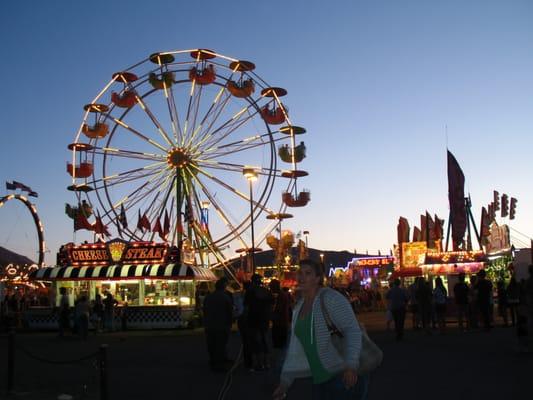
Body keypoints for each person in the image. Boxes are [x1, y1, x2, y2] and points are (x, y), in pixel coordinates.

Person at [273, 259, 369, 400]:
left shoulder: (331, 298)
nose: (301, 277)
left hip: (342, 375)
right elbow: (296, 348)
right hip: (318, 379)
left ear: (318, 278)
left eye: (308, 273)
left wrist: (351, 365)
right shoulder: (299, 307)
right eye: (300, 273)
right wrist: (285, 383)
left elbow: (352, 331)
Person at [203, 278, 233, 372]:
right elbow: (229, 311)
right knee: (220, 344)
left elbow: (205, 310)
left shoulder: (208, 297)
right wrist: (230, 322)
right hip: (222, 324)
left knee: (212, 344)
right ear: (224, 287)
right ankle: (219, 364)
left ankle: (213, 361)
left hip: (210, 324)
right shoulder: (225, 297)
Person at [244, 273, 273, 371]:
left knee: (255, 342)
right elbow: (271, 305)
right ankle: (267, 363)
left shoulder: (249, 292)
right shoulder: (266, 291)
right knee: (265, 340)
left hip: (253, 319)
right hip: (264, 319)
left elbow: (246, 307)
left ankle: (258, 363)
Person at [269, 279, 291, 349]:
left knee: (279, 345)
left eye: (271, 287)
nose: (270, 289)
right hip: (281, 322)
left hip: (280, 323)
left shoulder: (281, 296)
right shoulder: (281, 295)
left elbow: (279, 310)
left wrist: (271, 315)